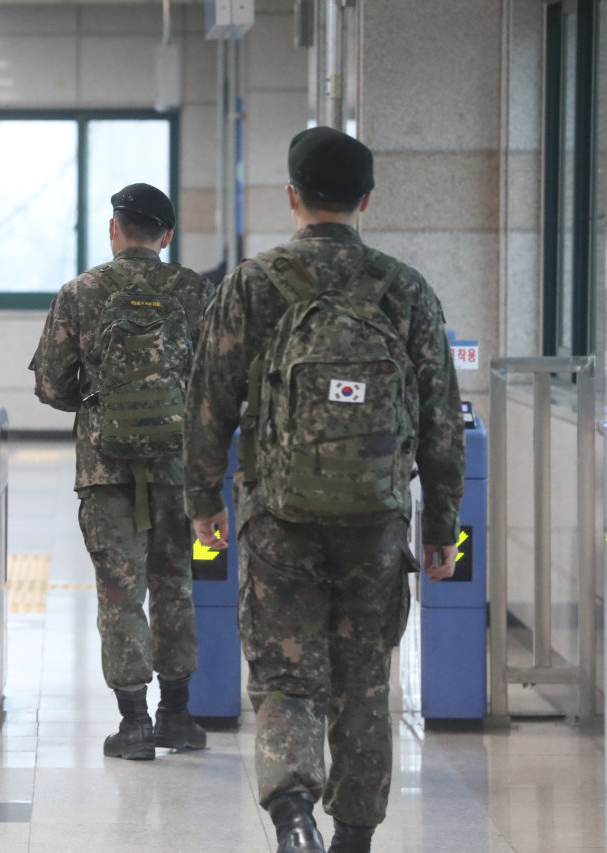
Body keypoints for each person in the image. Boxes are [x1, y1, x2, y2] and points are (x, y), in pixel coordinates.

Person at [183, 127, 465, 853]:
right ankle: (355, 836)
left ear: (292, 195)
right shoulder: (405, 289)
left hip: (278, 518)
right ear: (365, 200)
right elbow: (441, 422)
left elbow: (208, 401)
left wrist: (204, 503)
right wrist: (442, 528)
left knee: (285, 678)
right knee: (365, 679)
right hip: (376, 522)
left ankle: (293, 814)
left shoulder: (253, 283)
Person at [29, 182, 213, 760]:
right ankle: (177, 716)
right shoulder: (194, 292)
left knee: (120, 592)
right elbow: (220, 384)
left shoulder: (81, 292)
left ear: (114, 229)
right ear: (167, 235)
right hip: (179, 468)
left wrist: (99, 397)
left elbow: (51, 387)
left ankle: (133, 725)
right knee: (175, 585)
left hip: (106, 472)